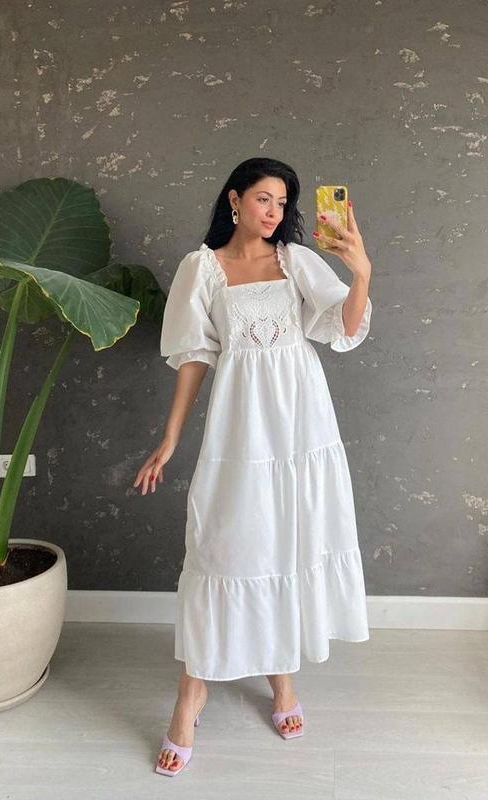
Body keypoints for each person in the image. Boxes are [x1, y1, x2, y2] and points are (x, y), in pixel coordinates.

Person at [133, 157, 373, 776]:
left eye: (282, 202)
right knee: (226, 547)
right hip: (241, 426)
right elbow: (194, 357)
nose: (274, 212)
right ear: (235, 200)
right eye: (264, 199)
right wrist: (170, 437)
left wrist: (361, 271)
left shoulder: (297, 261)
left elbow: (344, 328)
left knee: (287, 542)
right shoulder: (202, 269)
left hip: (301, 426)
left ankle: (282, 679)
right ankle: (191, 695)